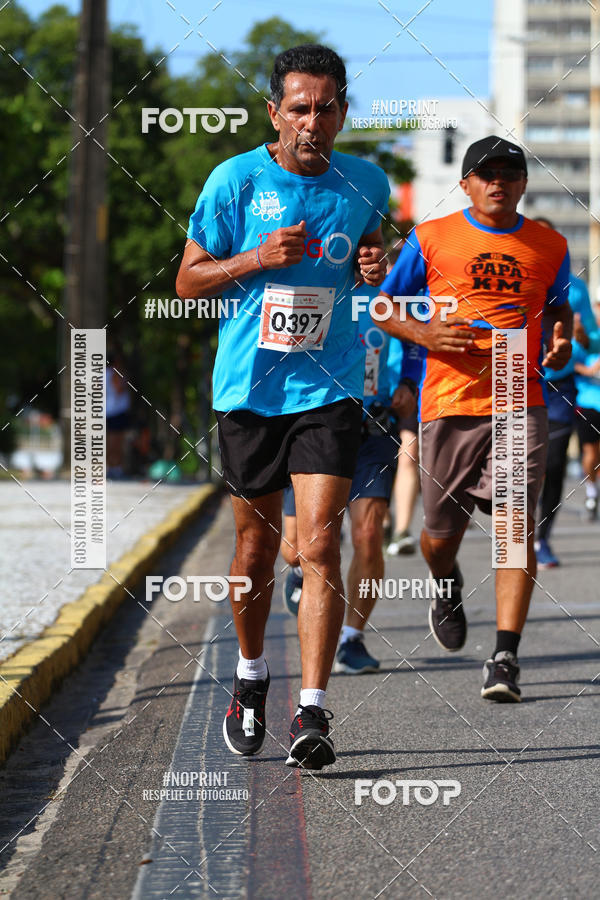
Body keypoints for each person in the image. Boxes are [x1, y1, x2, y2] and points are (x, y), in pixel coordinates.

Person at [176, 45, 390, 769]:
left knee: (322, 543)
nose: (312, 121)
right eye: (299, 108)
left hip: (329, 387)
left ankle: (313, 710)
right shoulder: (234, 181)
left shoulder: (366, 181)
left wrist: (374, 263)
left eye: (326, 108)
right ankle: (249, 676)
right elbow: (188, 281)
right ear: (274, 113)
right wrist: (255, 259)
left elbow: (370, 251)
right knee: (256, 548)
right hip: (250, 390)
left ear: (343, 114)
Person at [377, 135, 572, 702]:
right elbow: (383, 305)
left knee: (514, 530)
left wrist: (561, 338)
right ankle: (445, 581)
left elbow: (558, 305)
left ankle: (505, 656)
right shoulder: (432, 237)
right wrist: (424, 334)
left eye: (510, 173)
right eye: (487, 174)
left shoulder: (550, 244)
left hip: (518, 396)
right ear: (466, 184)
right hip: (448, 402)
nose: (499, 182)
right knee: (439, 538)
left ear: (524, 183)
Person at [280, 281, 418, 675]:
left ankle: (352, 637)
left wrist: (408, 383)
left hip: (372, 427)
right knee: (296, 548)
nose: (369, 253)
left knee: (369, 535)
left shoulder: (392, 292)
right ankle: (299, 571)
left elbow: (416, 342)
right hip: (315, 424)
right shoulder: (313, 277)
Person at [533, 218, 600, 565]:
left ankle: (541, 538)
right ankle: (515, 533)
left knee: (555, 463)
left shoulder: (576, 287)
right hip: (514, 383)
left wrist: (584, 337)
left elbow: (593, 341)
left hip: (559, 387)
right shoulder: (515, 280)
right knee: (518, 463)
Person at [385, 336, 422, 555]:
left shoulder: (412, 311)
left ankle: (402, 531)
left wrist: (410, 380)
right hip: (374, 389)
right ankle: (384, 521)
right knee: (379, 457)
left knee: (408, 454)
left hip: (409, 386)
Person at [572, 344, 600, 519]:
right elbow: (572, 364)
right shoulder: (580, 344)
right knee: (591, 453)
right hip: (588, 406)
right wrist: (590, 369)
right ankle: (592, 492)